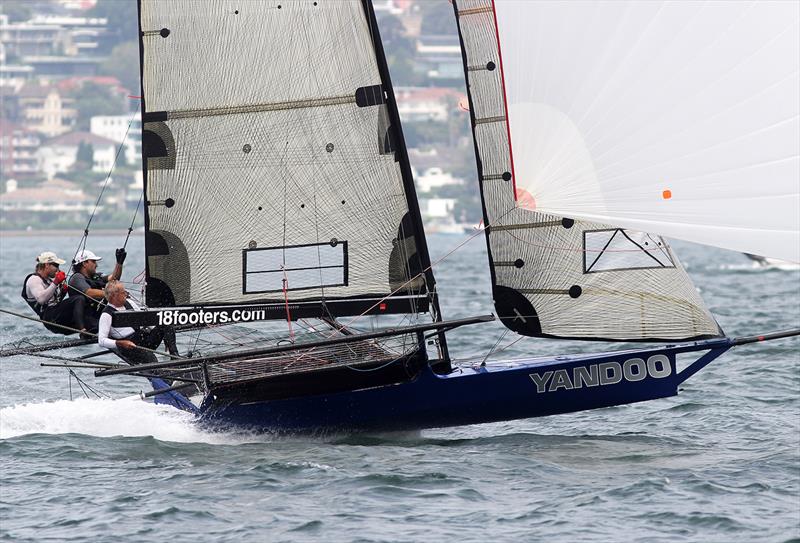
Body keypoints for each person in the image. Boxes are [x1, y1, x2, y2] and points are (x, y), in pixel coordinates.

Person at [97, 280, 179, 366]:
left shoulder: (130, 303)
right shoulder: (106, 314)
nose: (126, 294)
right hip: (128, 347)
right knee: (151, 358)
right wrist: (120, 343)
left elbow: (145, 320)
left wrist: (165, 334)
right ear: (114, 296)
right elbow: (101, 341)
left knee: (165, 323)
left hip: (143, 339)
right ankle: (162, 375)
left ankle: (175, 357)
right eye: (123, 292)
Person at [22, 251, 91, 337]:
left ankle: (95, 331)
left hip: (57, 317)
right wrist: (56, 282)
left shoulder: (48, 280)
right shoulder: (34, 280)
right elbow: (41, 300)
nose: (58, 269)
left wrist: (62, 293)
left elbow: (55, 303)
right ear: (47, 265)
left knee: (90, 320)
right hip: (50, 319)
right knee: (79, 298)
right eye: (56, 266)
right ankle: (82, 331)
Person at [68, 248, 126, 332]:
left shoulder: (96, 276)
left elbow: (114, 279)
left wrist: (119, 263)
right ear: (84, 263)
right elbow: (89, 293)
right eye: (93, 261)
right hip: (87, 319)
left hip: (98, 315)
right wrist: (114, 294)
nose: (96, 265)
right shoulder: (77, 277)